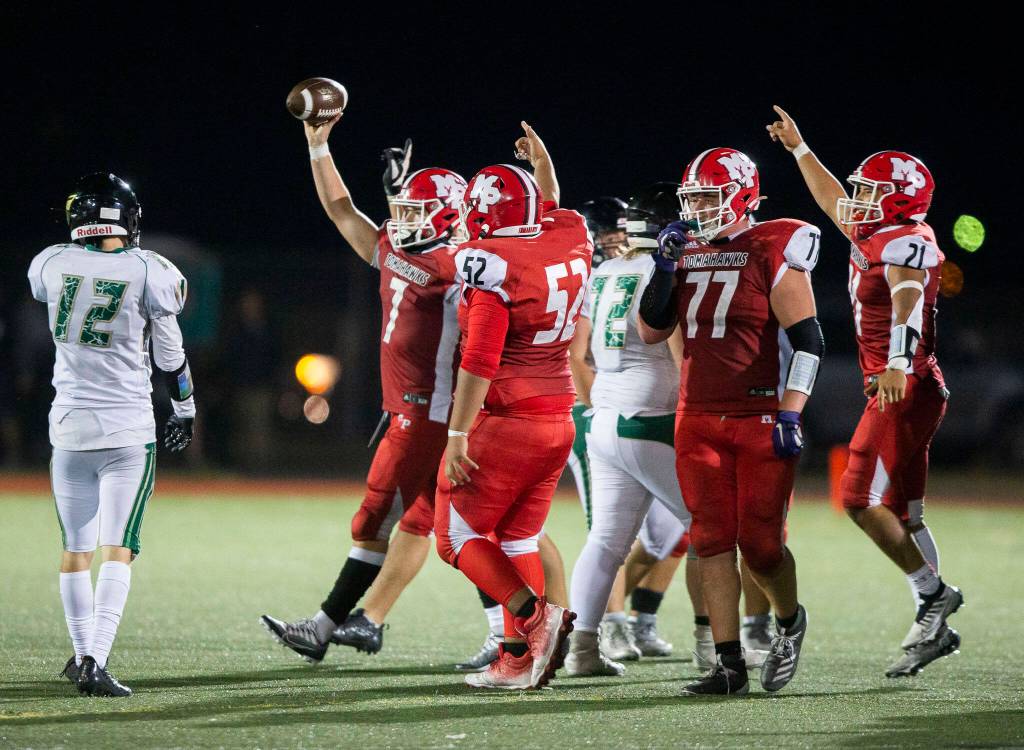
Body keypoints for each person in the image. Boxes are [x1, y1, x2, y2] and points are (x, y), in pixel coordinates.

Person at [261, 116, 466, 663]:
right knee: (433, 525)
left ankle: (325, 626)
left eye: (415, 211)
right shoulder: (398, 248)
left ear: (448, 217)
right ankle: (505, 630)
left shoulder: (458, 270)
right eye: (400, 210)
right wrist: (317, 144)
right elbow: (340, 208)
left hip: (429, 413)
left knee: (375, 518)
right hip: (414, 410)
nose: (401, 220)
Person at [767, 106, 963, 676]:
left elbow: (905, 297)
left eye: (872, 192)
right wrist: (801, 149)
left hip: (908, 384)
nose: (859, 199)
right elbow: (832, 201)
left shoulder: (907, 240)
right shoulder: (876, 231)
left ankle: (931, 595)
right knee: (907, 512)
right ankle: (934, 622)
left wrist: (898, 361)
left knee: (857, 497)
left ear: (900, 201)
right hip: (905, 384)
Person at [638, 147, 824, 695]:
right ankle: (727, 664)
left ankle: (789, 620)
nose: (697, 208)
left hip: (760, 413)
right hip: (697, 415)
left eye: (708, 197)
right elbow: (651, 331)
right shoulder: (684, 249)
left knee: (761, 545)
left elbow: (809, 342)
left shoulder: (771, 245)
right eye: (691, 198)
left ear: (742, 194)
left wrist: (791, 411)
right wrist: (665, 267)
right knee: (711, 538)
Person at [28, 173, 195, 697]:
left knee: (75, 549)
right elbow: (170, 357)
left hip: (69, 428)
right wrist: (185, 409)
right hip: (126, 429)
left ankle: (81, 656)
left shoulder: (50, 263)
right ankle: (95, 659)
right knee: (118, 548)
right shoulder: (151, 270)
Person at [435, 137, 593, 690]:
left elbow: (479, 360)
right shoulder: (567, 234)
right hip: (558, 416)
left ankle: (534, 618)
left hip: (509, 418)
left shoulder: (491, 265)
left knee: (454, 537)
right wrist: (543, 165)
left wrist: (457, 434)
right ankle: (516, 660)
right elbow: (546, 203)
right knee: (517, 537)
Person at [565, 182, 691, 677]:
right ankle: (723, 647)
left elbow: (585, 350)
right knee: (716, 531)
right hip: (650, 415)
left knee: (606, 540)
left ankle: (583, 650)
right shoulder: (662, 274)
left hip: (604, 417)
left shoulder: (601, 274)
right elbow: (680, 355)